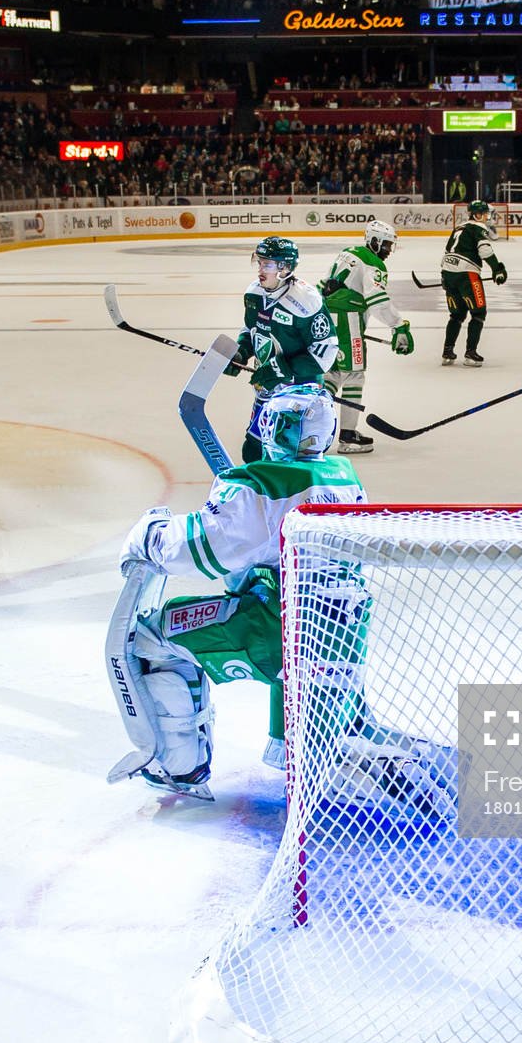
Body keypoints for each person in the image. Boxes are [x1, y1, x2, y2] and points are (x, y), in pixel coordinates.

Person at [112, 384, 447, 811]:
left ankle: (179, 766)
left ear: (275, 426)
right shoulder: (342, 475)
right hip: (341, 631)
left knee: (154, 638)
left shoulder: (266, 484)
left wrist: (149, 533)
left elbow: (203, 548)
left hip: (280, 627)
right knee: (300, 749)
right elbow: (266, 550)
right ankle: (411, 769)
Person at [227, 236, 337, 463]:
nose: (260, 269)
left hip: (301, 395)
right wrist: (241, 353)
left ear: (285, 268)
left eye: (267, 264)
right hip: (266, 391)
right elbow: (250, 328)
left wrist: (282, 369)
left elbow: (326, 351)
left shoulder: (306, 300)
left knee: (293, 457)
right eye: (259, 262)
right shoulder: (254, 293)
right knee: (254, 451)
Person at [319, 220, 413, 454]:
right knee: (354, 374)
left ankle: (309, 424)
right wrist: (398, 326)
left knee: (332, 372)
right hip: (348, 319)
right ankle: (348, 436)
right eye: (387, 245)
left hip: (327, 318)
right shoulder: (373, 262)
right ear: (375, 241)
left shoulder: (348, 253)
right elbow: (377, 299)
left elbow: (323, 285)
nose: (389, 250)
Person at [438, 199, 507, 366]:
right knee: (478, 313)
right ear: (477, 215)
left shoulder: (458, 228)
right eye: (485, 213)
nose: (487, 217)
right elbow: (485, 250)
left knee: (457, 315)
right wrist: (497, 269)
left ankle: (447, 352)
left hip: (448, 272)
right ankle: (470, 353)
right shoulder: (478, 228)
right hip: (467, 274)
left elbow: (447, 252)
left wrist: (445, 277)